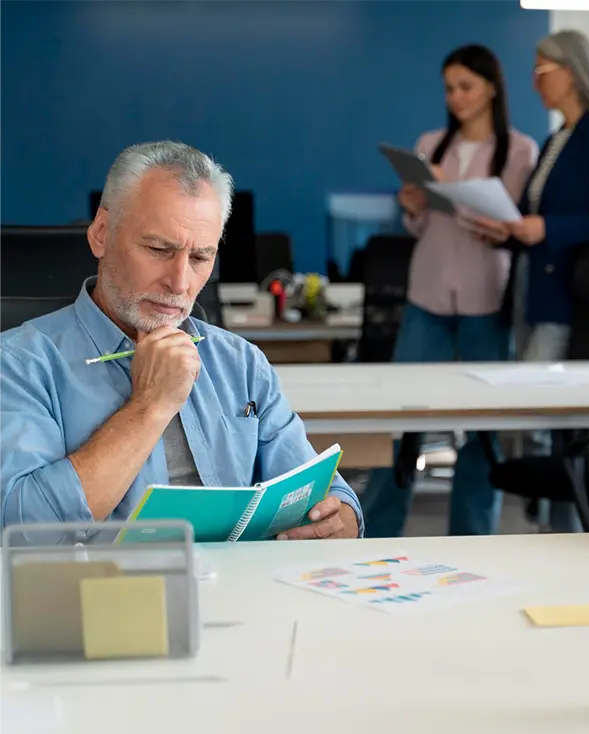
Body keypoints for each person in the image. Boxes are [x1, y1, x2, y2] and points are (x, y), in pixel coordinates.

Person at [0, 141, 362, 538]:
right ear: (101, 233)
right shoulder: (20, 362)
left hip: (240, 592)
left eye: (200, 258)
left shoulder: (240, 362)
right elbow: (25, 531)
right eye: (158, 249)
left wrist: (340, 516)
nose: (179, 282)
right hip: (98, 594)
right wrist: (150, 405)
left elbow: (318, 489)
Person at [359, 45, 537, 538]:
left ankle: (474, 539)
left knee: (483, 431)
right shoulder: (430, 142)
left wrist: (447, 193)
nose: (456, 98)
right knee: (400, 419)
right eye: (449, 88)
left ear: (491, 89)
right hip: (428, 294)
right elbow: (420, 229)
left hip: (486, 297)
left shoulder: (520, 149)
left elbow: (502, 224)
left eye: (466, 87)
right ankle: (373, 531)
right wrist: (415, 204)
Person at [475, 29, 589, 533]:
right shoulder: (557, 138)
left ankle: (566, 533)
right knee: (538, 422)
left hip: (570, 298)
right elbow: (537, 218)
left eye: (542, 71)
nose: (534, 82)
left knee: (554, 422)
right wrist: (507, 229)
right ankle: (551, 531)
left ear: (570, 72)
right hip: (532, 289)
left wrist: (548, 228)